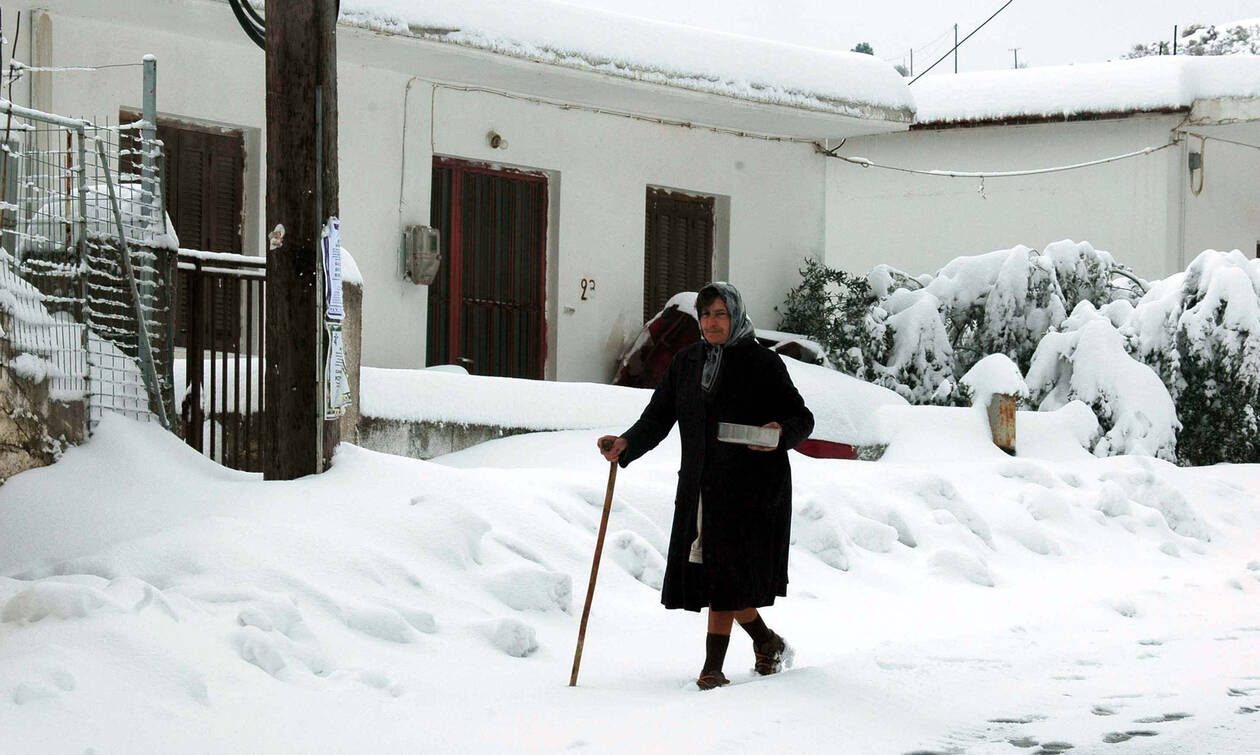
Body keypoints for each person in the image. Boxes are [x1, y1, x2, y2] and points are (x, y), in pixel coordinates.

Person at [598, 281, 814, 690]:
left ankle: (712, 669)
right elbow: (658, 417)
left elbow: (802, 418)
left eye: (720, 314)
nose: (712, 322)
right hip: (700, 486)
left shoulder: (762, 364)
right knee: (721, 575)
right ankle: (767, 642)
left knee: (724, 574)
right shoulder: (686, 362)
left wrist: (778, 431)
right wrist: (626, 444)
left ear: (735, 315)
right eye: (705, 314)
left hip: (752, 488)